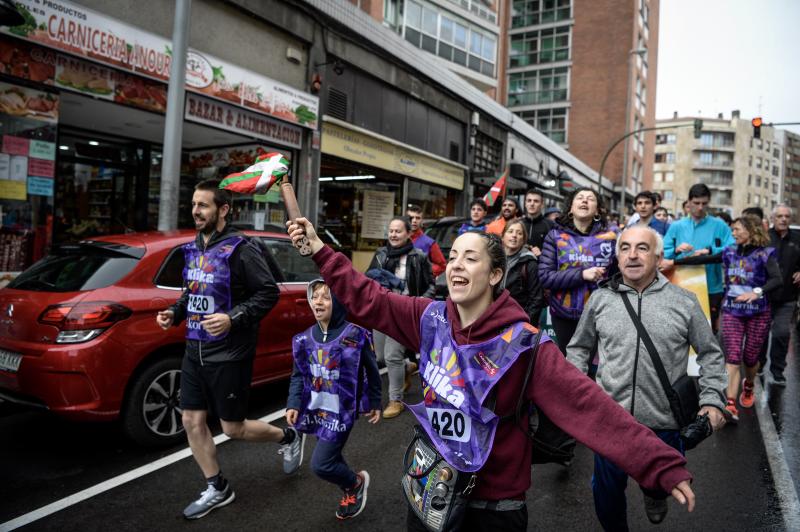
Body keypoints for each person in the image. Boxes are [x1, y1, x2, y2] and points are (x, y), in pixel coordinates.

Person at [287, 218, 698, 532]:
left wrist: (658, 463)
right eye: (452, 258)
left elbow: (589, 408)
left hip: (495, 508)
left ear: (496, 274)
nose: (456, 266)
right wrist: (321, 250)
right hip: (429, 491)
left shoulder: (526, 345)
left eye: (470, 257)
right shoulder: (427, 318)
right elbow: (366, 298)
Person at [567, 225, 727, 530]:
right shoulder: (601, 300)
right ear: (617, 256)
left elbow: (711, 353)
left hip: (665, 422)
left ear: (658, 257)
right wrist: (578, 395)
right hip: (610, 420)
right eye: (625, 248)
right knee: (607, 494)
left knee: (656, 483)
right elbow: (579, 348)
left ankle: (654, 493)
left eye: (642, 248)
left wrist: (712, 399)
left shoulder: (684, 301)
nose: (632, 255)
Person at [156, 180, 296, 520]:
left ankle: (287, 437)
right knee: (191, 420)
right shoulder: (197, 245)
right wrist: (175, 312)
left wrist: (232, 319)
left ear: (223, 210)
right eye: (193, 204)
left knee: (233, 428)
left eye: (203, 205)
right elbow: (193, 289)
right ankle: (217, 486)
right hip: (195, 349)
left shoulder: (242, 248)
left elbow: (267, 293)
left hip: (230, 353)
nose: (195, 211)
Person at [286, 279, 382, 520]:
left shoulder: (356, 335)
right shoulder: (303, 339)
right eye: (314, 296)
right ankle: (350, 484)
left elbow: (371, 370)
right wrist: (293, 403)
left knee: (321, 464)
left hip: (342, 412)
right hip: (316, 410)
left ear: (338, 302)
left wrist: (374, 401)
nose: (318, 301)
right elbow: (298, 374)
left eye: (326, 297)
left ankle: (355, 483)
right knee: (330, 456)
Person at [367, 216, 435, 419]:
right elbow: (370, 279)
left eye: (398, 231)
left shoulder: (419, 256)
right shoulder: (380, 254)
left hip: (404, 311)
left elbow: (431, 284)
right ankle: (406, 368)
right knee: (380, 356)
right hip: (381, 311)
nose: (394, 235)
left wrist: (419, 302)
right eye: (391, 231)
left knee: (392, 356)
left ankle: (396, 400)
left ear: (408, 233)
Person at [539, 187, 618, 354]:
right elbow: (545, 277)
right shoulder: (554, 236)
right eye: (580, 197)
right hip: (563, 314)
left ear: (597, 209)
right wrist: (582, 274)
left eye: (590, 199)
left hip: (599, 314)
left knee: (593, 369)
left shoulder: (610, 238)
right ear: (570, 208)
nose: (584, 201)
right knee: (569, 365)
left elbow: (618, 276)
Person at [720, 215, 782, 421]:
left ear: (751, 230)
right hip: (731, 311)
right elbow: (706, 258)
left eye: (737, 229)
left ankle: (749, 385)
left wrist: (757, 292)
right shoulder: (728, 252)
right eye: (733, 230)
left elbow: (777, 279)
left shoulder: (764, 254)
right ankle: (730, 404)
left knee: (750, 357)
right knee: (734, 357)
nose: (733, 233)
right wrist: (674, 260)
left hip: (758, 313)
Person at [662, 184, 734, 333]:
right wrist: (676, 250)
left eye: (704, 203)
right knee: (679, 330)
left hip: (711, 287)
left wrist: (711, 250)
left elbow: (733, 250)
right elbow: (663, 254)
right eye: (696, 203)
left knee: (708, 332)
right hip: (680, 285)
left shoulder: (720, 225)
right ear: (688, 202)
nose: (700, 207)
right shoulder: (676, 226)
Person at [763, 204, 800, 385]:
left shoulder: (798, 238)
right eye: (779, 216)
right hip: (765, 296)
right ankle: (758, 365)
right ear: (773, 218)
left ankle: (777, 371)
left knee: (781, 333)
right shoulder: (764, 239)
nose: (783, 219)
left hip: (788, 296)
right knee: (760, 334)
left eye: (786, 216)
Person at [502, 219, 545, 326]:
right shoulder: (494, 260)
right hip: (495, 320)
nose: (514, 235)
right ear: (503, 236)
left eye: (519, 233)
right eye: (510, 231)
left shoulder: (529, 263)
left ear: (523, 239)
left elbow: (536, 299)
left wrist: (526, 325)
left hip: (518, 321)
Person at [407, 204, 446, 277]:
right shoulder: (400, 239)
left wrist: (425, 271)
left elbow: (442, 266)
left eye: (418, 218)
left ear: (422, 220)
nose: (414, 220)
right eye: (411, 218)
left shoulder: (429, 243)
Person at [520, 189, 553, 258]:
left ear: (542, 204)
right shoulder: (518, 223)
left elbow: (555, 250)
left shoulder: (550, 225)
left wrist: (542, 254)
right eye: (529, 200)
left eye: (536, 201)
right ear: (525, 203)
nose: (532, 204)